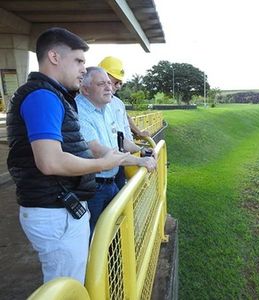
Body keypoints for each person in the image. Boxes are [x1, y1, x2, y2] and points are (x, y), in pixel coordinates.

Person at [6, 27, 129, 284]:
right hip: (55, 211)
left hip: (59, 207)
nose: (84, 69)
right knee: (68, 286)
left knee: (70, 281)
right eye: (79, 61)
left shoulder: (53, 95)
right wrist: (101, 163)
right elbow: (50, 161)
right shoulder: (43, 96)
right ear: (54, 57)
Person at [76, 67, 157, 235]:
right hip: (93, 186)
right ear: (85, 90)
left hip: (110, 181)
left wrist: (142, 150)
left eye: (109, 83)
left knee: (113, 232)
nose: (109, 88)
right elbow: (98, 151)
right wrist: (138, 161)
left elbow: (120, 141)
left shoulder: (106, 107)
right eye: (101, 84)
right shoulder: (79, 111)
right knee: (94, 236)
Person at [99, 56, 150, 189]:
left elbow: (123, 125)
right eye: (114, 81)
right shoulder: (97, 104)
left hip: (122, 158)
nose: (117, 86)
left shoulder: (116, 102)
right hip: (106, 166)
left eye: (119, 83)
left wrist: (138, 134)